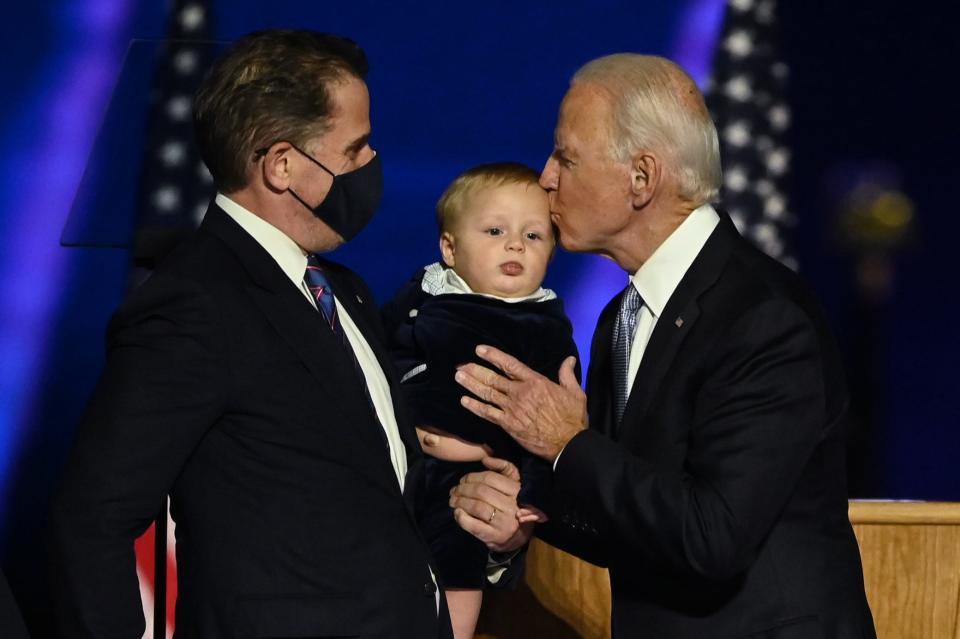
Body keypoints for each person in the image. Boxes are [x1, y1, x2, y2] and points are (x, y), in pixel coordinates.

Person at [450, 54, 877, 638]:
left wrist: (566, 443)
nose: (546, 176)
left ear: (642, 178)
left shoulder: (764, 318)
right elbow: (632, 514)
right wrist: (525, 510)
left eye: (567, 157)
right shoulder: (622, 317)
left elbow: (712, 537)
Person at [48, 29, 451, 639]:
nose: (372, 165)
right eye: (355, 149)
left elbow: (374, 496)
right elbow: (90, 519)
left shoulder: (347, 291)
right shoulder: (194, 305)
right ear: (283, 164)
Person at [381, 162, 578, 639]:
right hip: (398, 474)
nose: (515, 245)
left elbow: (555, 430)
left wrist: (481, 454)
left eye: (534, 236)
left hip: (474, 482)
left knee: (458, 561)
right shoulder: (422, 294)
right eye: (495, 230)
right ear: (449, 247)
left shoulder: (544, 325)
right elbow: (381, 358)